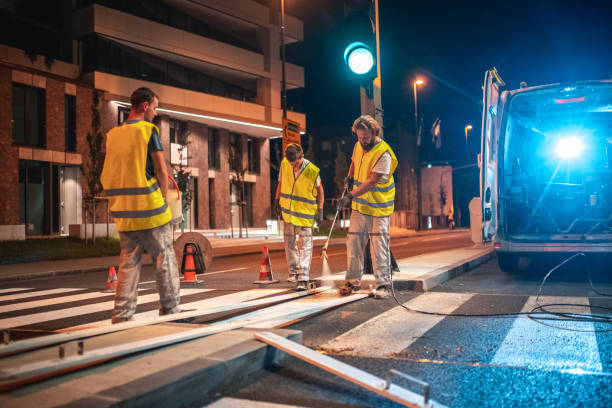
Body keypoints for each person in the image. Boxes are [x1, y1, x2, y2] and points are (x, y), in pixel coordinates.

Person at [101, 87, 182, 323]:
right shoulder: (148, 131)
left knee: (128, 262)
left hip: (124, 212)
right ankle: (170, 309)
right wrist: (164, 198)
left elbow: (111, 173)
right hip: (150, 209)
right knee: (164, 257)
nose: (156, 113)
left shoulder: (113, 135)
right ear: (145, 106)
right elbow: (160, 169)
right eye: (155, 108)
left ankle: (122, 314)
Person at [337, 115, 398, 299]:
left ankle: (384, 285)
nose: (362, 141)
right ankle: (352, 282)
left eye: (366, 137)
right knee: (354, 244)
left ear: (374, 133)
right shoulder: (358, 146)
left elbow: (372, 180)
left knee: (378, 246)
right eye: (359, 137)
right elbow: (354, 162)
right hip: (361, 207)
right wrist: (349, 176)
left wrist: (350, 196)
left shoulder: (383, 153)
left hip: (379, 208)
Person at [275, 144, 324, 290]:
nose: (293, 166)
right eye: (291, 163)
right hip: (289, 212)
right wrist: (276, 200)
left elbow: (320, 191)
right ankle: (294, 271)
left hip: (305, 214)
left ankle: (303, 277)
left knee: (305, 246)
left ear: (301, 156)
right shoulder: (285, 164)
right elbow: (281, 182)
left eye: (295, 163)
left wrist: (320, 210)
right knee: (289, 243)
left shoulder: (312, 170)